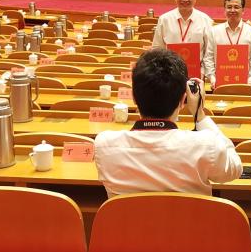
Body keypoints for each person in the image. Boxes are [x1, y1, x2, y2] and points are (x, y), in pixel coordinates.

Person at [93, 48, 242, 195]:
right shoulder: (206, 145)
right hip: (188, 213)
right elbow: (235, 168)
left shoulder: (104, 145)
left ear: (133, 97)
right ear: (183, 100)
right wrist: (199, 114)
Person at [152, 0, 217, 90]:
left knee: (194, 101)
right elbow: (157, 48)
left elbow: (208, 51)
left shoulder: (205, 20)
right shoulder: (164, 19)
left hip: (197, 75)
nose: (185, 0)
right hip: (170, 74)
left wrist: (205, 73)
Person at [212, 0, 251, 67]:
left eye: (236, 7)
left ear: (243, 10)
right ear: (224, 10)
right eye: (229, 7)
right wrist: (213, 74)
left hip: (246, 74)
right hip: (218, 74)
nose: (232, 10)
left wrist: (249, 75)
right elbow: (209, 58)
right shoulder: (214, 31)